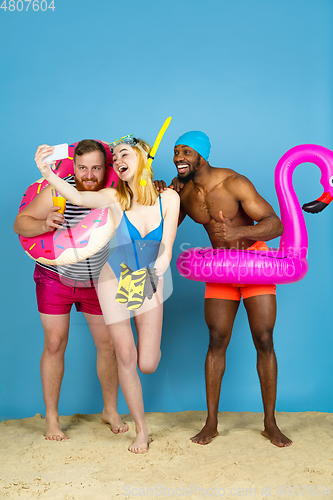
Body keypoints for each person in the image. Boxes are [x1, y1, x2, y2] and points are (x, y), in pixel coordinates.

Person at [34, 135, 180, 454]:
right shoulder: (114, 197)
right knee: (125, 356)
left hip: (149, 278)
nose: (118, 161)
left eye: (123, 154)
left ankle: (132, 411)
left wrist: (157, 270)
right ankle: (141, 431)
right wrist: (47, 172)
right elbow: (74, 194)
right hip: (114, 279)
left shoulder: (168, 198)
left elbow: (167, 246)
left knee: (148, 362)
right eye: (115, 158)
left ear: (142, 157)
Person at [171, 131, 291, 448]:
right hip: (220, 267)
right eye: (176, 152)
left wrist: (238, 230)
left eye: (186, 151)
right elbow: (165, 225)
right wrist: (163, 195)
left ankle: (270, 423)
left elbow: (275, 224)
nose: (179, 157)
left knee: (264, 339)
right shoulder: (182, 191)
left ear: (202, 155)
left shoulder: (234, 182)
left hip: (256, 263)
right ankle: (211, 423)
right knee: (216, 340)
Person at [14, 140, 128, 441]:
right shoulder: (57, 190)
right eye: (82, 167)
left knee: (108, 345)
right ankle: (52, 419)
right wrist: (44, 224)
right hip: (55, 278)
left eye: (96, 168)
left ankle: (110, 410)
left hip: (96, 280)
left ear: (106, 168)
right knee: (54, 343)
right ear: (73, 166)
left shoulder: (112, 193)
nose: (89, 174)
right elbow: (20, 223)